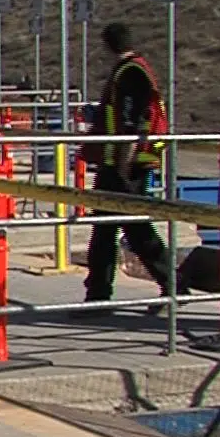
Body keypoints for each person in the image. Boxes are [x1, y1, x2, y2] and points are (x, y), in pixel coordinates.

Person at [77, 22, 180, 313]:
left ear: (107, 45)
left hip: (124, 166)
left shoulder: (131, 73)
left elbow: (134, 125)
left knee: (133, 230)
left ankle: (174, 286)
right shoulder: (134, 69)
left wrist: (123, 167)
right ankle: (98, 295)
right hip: (118, 164)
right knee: (108, 231)